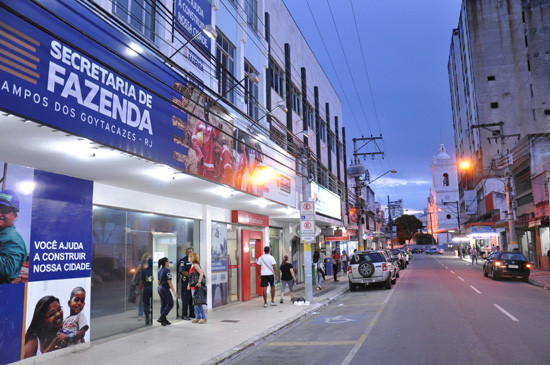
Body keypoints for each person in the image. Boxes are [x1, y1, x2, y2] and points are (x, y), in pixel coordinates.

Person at [0, 189, 27, 284]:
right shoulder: (2, 235)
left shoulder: (13, 240)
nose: (0, 214)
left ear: (14, 216)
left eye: (5, 211)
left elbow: (5, 270)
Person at [191, 100, 222, 179]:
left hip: (209, 161)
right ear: (203, 110)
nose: (206, 112)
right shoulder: (199, 123)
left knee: (208, 182)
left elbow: (214, 133)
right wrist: (200, 156)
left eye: (208, 110)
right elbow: (194, 140)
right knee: (199, 180)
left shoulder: (210, 125)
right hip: (202, 159)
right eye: (205, 109)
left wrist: (219, 127)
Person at [157, 257, 177, 326]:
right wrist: (174, 292)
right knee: (170, 304)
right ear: (166, 263)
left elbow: (158, 281)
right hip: (165, 289)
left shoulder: (159, 270)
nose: (169, 263)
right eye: (168, 262)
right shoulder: (167, 270)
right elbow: (169, 282)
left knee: (163, 304)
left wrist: (159, 288)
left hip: (160, 288)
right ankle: (161, 317)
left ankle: (163, 320)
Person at [188, 252, 207, 324]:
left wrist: (199, 282)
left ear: (193, 258)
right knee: (195, 302)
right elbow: (191, 276)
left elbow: (201, 273)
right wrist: (189, 284)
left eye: (190, 257)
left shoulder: (195, 265)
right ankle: (197, 316)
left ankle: (203, 317)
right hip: (193, 286)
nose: (189, 258)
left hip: (196, 286)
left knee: (198, 302)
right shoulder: (192, 265)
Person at [132, 253, 150, 321]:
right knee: (142, 301)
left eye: (149, 257)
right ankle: (140, 314)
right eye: (148, 257)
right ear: (144, 258)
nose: (149, 258)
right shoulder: (141, 265)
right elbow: (136, 273)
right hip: (142, 285)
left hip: (149, 285)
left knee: (149, 302)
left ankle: (147, 314)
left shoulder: (150, 265)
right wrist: (133, 281)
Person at [178, 247, 195, 320]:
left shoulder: (194, 261)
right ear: (186, 253)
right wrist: (191, 276)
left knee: (192, 298)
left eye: (191, 252)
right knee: (185, 299)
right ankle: (184, 314)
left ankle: (192, 313)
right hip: (186, 282)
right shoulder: (183, 261)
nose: (189, 253)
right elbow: (182, 271)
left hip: (193, 282)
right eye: (188, 252)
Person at [141, 258, 153, 325]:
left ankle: (147, 320)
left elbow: (142, 279)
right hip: (153, 288)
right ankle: (152, 319)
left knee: (146, 304)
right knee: (153, 305)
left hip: (146, 288)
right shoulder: (155, 271)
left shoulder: (144, 271)